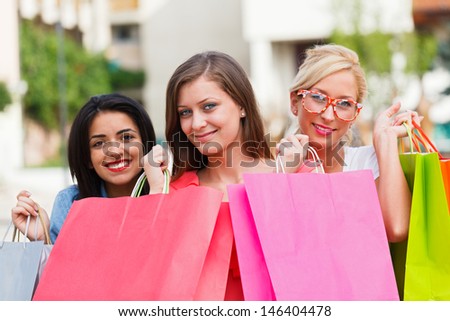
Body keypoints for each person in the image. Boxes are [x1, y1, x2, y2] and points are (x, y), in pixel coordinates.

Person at [143, 50, 305, 300]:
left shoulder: (292, 174)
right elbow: (153, 277)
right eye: (185, 112)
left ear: (241, 105)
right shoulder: (178, 192)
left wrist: (279, 181)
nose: (196, 124)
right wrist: (156, 191)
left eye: (209, 106)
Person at [288, 43, 420, 243]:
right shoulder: (271, 165)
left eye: (344, 104)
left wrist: (385, 141)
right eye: (318, 97)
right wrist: (284, 172)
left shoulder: (367, 163)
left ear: (355, 115)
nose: (329, 115)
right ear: (294, 102)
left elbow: (398, 228)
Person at [11, 93, 156, 244]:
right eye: (99, 143)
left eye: (127, 138)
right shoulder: (70, 202)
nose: (115, 151)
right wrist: (43, 238)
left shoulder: (171, 192)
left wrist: (157, 193)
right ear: (87, 158)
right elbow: (61, 266)